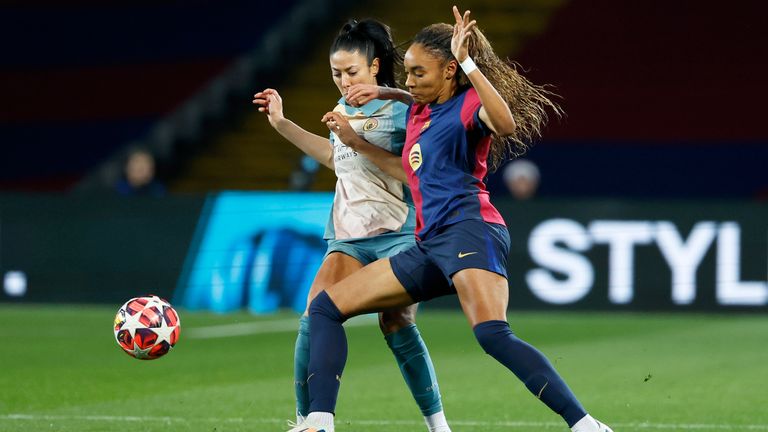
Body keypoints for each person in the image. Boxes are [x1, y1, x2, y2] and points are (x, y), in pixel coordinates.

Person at [290, 7, 613, 432]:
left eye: (418, 73)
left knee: (492, 335)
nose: (408, 81)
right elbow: (412, 100)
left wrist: (470, 65)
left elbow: (505, 122)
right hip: (427, 245)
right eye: (405, 72)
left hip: (471, 230)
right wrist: (386, 95)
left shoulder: (467, 108)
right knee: (325, 309)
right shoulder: (421, 110)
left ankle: (586, 425)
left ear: (449, 71)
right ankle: (318, 422)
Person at [252, 19, 452, 432]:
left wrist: (362, 131)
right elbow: (334, 159)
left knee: (395, 321)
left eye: (352, 72)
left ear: (375, 67)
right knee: (313, 316)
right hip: (348, 238)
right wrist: (282, 124)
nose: (344, 81)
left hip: (399, 236)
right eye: (336, 74)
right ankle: (310, 422)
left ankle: (438, 425)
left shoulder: (404, 111)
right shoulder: (342, 110)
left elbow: (416, 174)